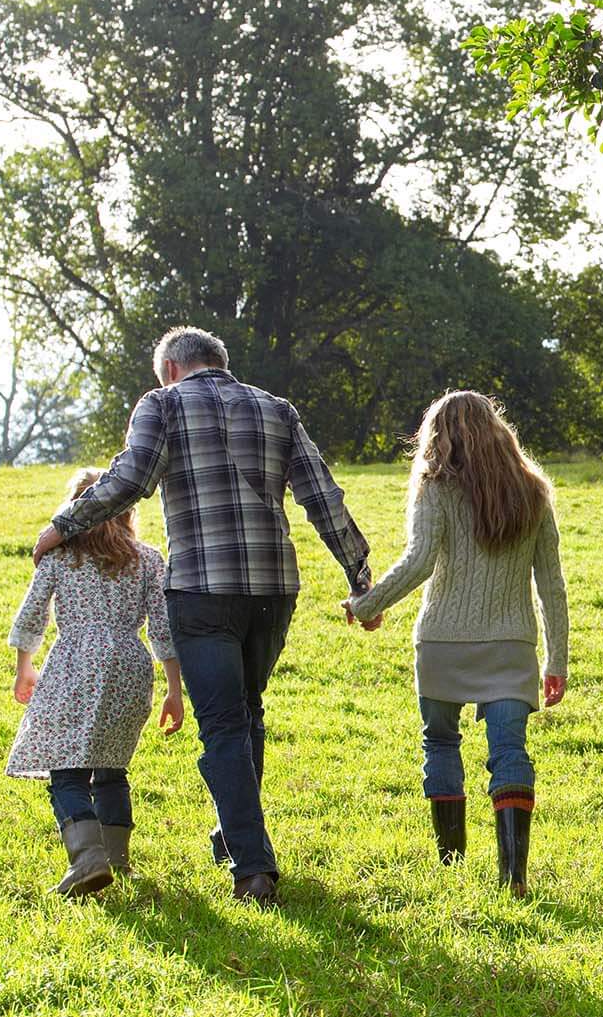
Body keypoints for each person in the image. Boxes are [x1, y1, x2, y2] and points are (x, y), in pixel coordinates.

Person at [34, 326, 369, 907]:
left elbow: (130, 480)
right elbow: (322, 496)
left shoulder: (160, 404)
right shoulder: (276, 409)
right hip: (272, 588)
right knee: (245, 711)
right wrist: (359, 575)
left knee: (222, 724)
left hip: (201, 588)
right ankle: (232, 835)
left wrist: (65, 523)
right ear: (220, 363)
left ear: (169, 370)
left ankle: (253, 868)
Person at [343, 391, 567, 898]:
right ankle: (513, 874)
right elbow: (550, 582)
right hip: (511, 644)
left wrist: (366, 604)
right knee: (509, 748)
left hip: (443, 639)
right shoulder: (533, 491)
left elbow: (419, 560)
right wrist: (557, 659)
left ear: (438, 435)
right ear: (497, 429)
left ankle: (451, 865)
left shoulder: (435, 488)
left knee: (440, 742)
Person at [8, 467, 184, 896]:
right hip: (130, 665)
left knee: (66, 771)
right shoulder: (147, 559)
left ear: (74, 511)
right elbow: (164, 629)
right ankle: (116, 862)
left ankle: (88, 859)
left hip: (76, 664)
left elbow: (34, 613)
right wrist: (174, 691)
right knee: (111, 768)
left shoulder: (61, 556)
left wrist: (24, 665)